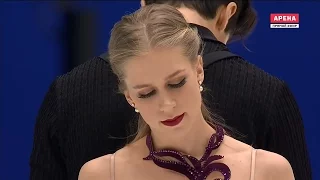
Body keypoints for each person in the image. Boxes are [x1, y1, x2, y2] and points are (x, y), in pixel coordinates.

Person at [29, 1, 311, 180]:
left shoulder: (268, 170)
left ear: (198, 70)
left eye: (176, 83)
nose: (167, 105)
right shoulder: (100, 174)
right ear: (129, 97)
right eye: (146, 93)